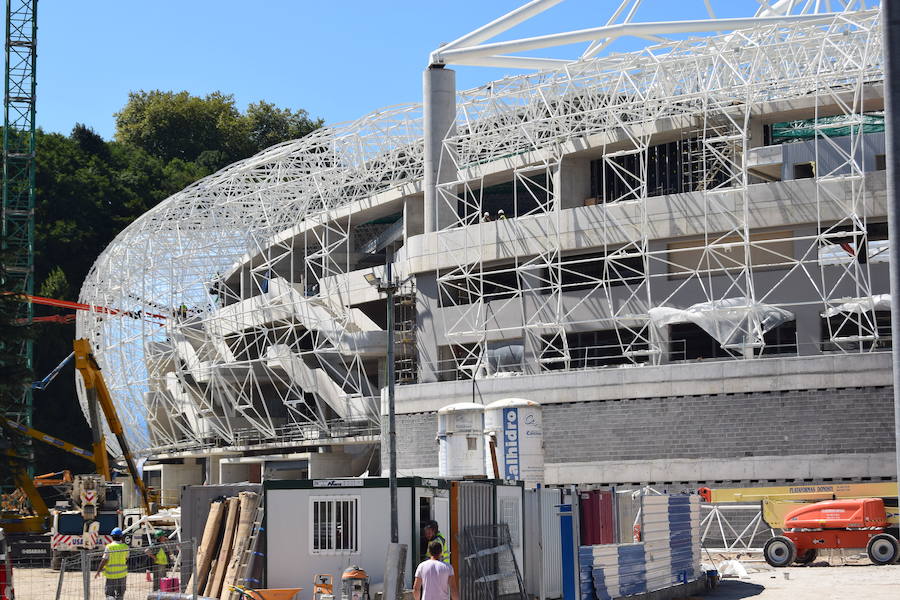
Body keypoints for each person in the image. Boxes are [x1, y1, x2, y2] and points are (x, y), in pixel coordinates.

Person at [95, 527, 129, 600]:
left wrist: (98, 571)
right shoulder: (125, 547)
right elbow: (126, 558)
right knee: (120, 595)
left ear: (112, 537)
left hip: (111, 575)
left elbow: (104, 560)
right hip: (122, 574)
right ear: (121, 537)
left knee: (110, 595)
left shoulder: (109, 547)